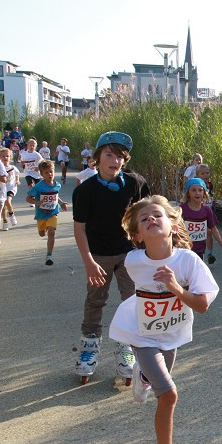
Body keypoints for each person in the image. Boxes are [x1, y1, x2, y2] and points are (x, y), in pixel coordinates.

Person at [109, 195, 219, 444]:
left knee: (159, 381)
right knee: (168, 394)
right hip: (140, 332)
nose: (151, 220)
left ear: (172, 224)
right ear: (138, 235)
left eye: (158, 215)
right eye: (144, 219)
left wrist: (174, 288)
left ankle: (142, 374)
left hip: (171, 333)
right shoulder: (133, 261)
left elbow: (203, 305)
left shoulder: (188, 261)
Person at [71, 131, 150, 384]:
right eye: (108, 155)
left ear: (125, 160)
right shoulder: (86, 190)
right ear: (97, 158)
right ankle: (88, 349)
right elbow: (79, 228)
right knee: (96, 301)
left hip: (130, 254)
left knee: (133, 301)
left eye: (119, 157)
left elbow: (145, 212)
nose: (114, 161)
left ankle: (127, 348)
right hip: (99, 256)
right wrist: (89, 262)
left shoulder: (135, 183)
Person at [25, 160, 68, 266]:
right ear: (41, 174)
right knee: (42, 233)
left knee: (52, 232)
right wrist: (37, 202)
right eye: (46, 172)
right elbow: (28, 198)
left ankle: (49, 255)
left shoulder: (57, 185)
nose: (49, 174)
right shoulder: (38, 187)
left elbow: (55, 196)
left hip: (52, 212)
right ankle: (42, 228)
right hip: (41, 214)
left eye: (51, 171)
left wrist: (61, 203)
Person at [179, 178, 222, 262]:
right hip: (185, 249)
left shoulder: (207, 210)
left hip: (200, 250)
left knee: (197, 273)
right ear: (188, 192)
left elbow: (213, 228)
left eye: (200, 190)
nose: (197, 193)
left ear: (204, 193)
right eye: (193, 190)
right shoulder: (182, 209)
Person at [0, 148, 19, 230]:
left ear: (10, 157)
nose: (5, 158)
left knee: (7, 201)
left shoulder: (12, 167)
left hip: (11, 187)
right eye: (3, 156)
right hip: (2, 189)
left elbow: (17, 173)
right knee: (3, 206)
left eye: (7, 156)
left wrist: (17, 181)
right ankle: (5, 221)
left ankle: (12, 215)